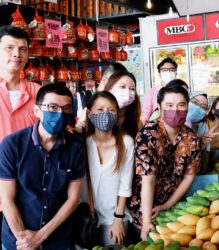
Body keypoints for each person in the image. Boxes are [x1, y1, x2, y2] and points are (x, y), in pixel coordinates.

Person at [0, 83, 85, 249]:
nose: (59, 113)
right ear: (37, 111)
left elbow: (73, 199)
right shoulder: (12, 145)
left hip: (58, 240)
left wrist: (39, 237)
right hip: (17, 241)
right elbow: (7, 199)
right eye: (52, 107)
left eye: (66, 108)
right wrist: (25, 242)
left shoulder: (75, 147)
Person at [128, 84, 200, 240]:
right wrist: (146, 221)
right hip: (144, 209)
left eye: (181, 105)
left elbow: (189, 175)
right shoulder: (148, 135)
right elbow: (148, 180)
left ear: (187, 108)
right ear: (159, 108)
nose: (175, 110)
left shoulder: (191, 138)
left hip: (173, 207)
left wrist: (168, 205)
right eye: (169, 105)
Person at [83, 91, 134, 247]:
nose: (106, 114)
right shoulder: (82, 143)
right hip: (86, 216)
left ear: (117, 115)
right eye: (100, 110)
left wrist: (118, 219)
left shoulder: (125, 142)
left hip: (114, 216)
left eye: (111, 110)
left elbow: (125, 185)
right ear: (90, 114)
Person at [0, 25, 41, 142]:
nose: (17, 54)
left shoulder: (39, 92)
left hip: (30, 159)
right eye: (9, 47)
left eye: (23, 49)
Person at [74, 63, 127, 128]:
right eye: (117, 83)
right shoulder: (79, 98)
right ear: (105, 80)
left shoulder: (119, 102)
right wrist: (78, 129)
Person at [104, 70, 142, 138]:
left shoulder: (137, 123)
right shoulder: (96, 113)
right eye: (122, 87)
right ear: (110, 88)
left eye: (132, 89)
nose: (127, 92)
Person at [185, 91, 215, 174]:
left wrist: (201, 145)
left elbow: (203, 163)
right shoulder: (175, 125)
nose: (197, 108)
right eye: (194, 102)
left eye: (203, 107)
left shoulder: (204, 127)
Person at [141, 58, 177, 123]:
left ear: (176, 72)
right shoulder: (151, 92)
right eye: (164, 70)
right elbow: (145, 117)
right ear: (159, 73)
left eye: (171, 70)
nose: (168, 72)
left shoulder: (181, 91)